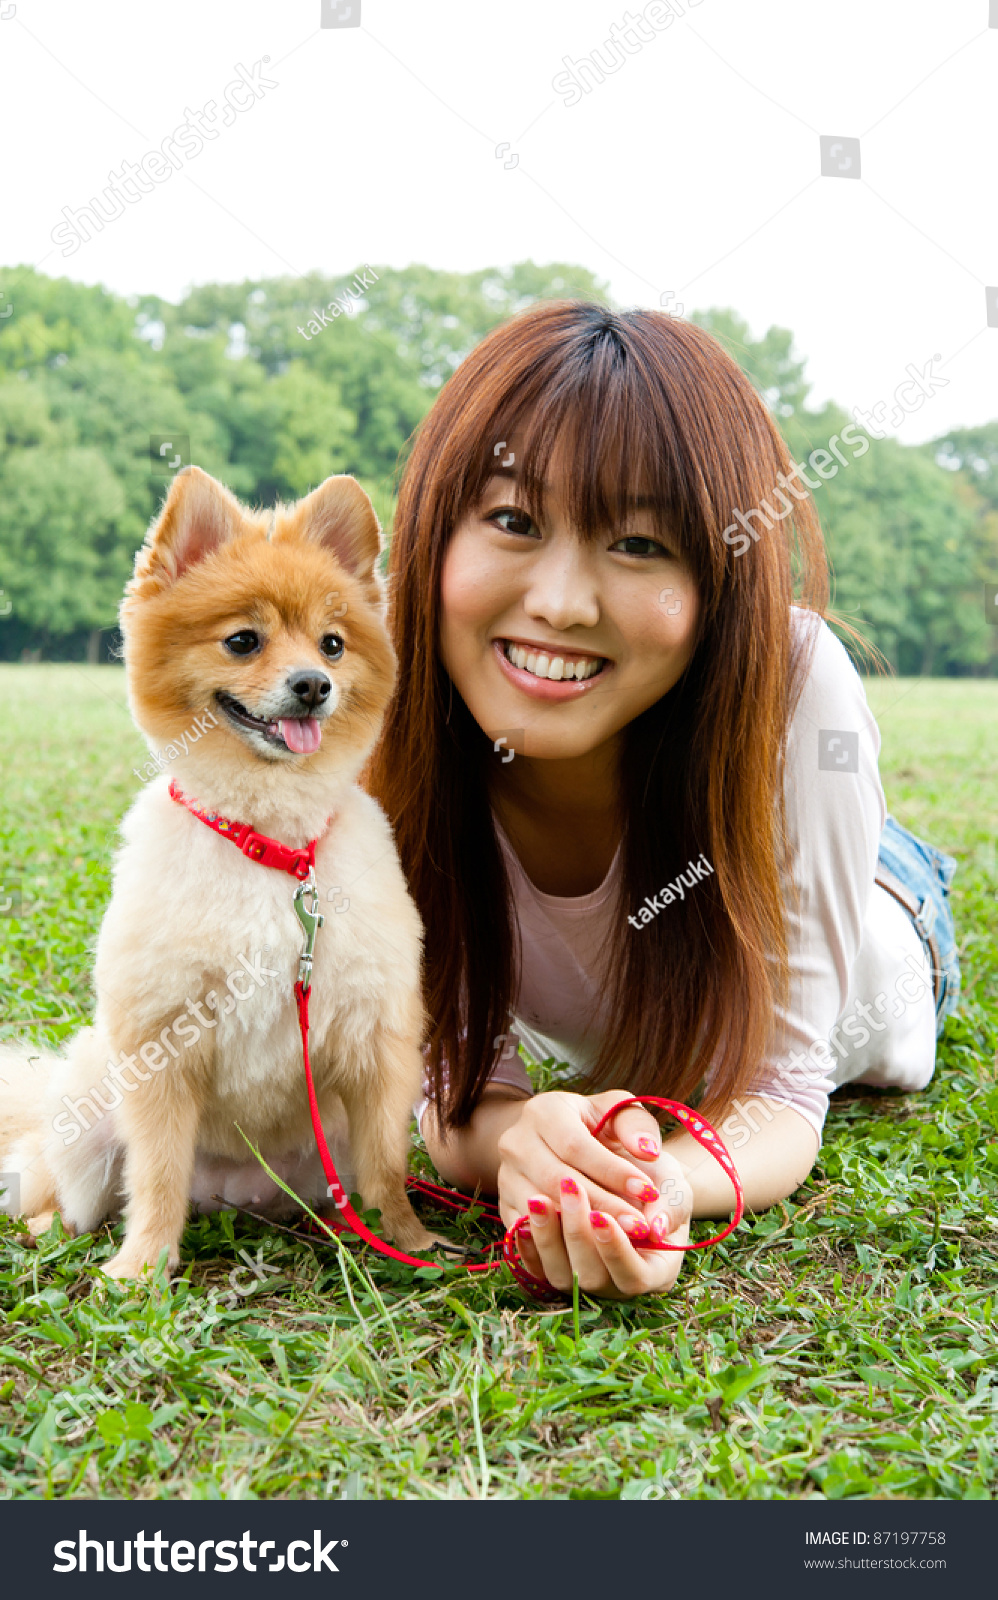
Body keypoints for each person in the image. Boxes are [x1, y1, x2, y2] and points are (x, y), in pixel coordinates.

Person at [364, 300, 960, 1301]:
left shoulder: (795, 686)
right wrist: (539, 1145)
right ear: (435, 531)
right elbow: (456, 1085)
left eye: (637, 543)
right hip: (646, 984)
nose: (560, 600)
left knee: (867, 898)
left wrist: (652, 1191)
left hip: (874, 907)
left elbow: (776, 1094)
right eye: (511, 520)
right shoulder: (378, 705)